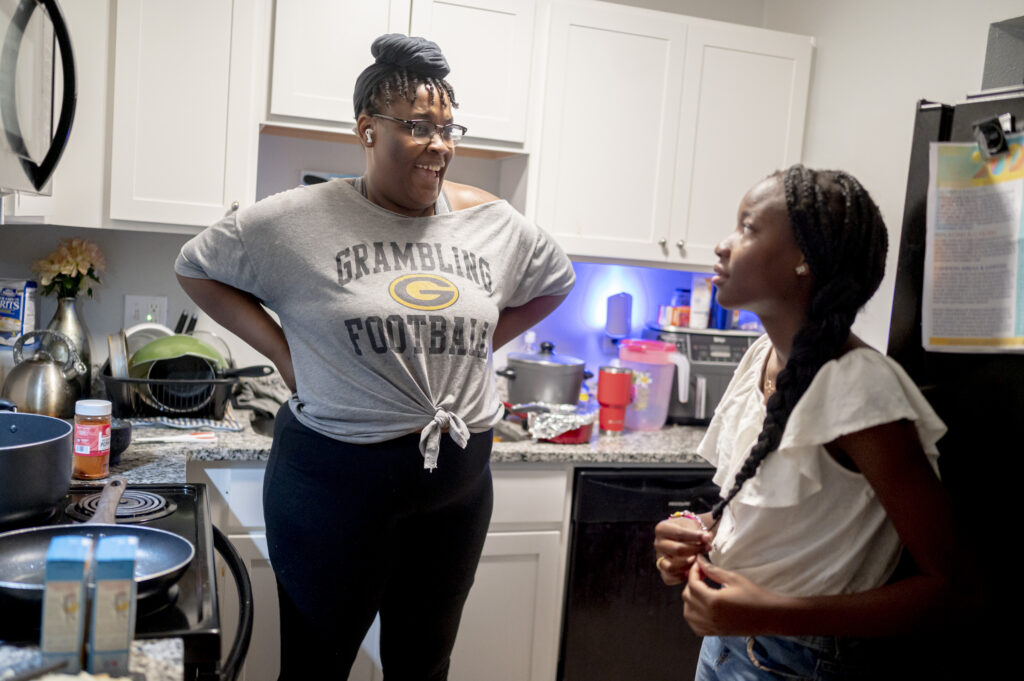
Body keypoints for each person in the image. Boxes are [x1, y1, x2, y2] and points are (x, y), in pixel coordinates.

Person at [174, 34, 575, 680]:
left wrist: (477, 349)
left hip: (457, 494)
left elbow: (556, 281)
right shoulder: (298, 219)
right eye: (417, 127)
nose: (439, 145)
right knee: (316, 670)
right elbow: (195, 268)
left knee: (424, 667)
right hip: (331, 495)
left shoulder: (492, 222)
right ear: (367, 128)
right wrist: (282, 351)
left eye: (447, 128)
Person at [653, 165, 972, 680]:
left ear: (803, 259)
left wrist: (766, 613)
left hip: (797, 663)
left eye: (748, 228)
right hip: (727, 647)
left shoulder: (859, 387)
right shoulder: (761, 355)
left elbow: (953, 588)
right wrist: (693, 532)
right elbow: (779, 517)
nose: (722, 244)